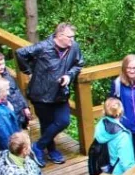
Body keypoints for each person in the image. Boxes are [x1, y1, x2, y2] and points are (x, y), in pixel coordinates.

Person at [16, 22, 84, 165]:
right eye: (70, 37)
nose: (73, 40)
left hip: (60, 93)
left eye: (73, 37)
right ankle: (51, 150)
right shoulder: (43, 47)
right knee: (46, 124)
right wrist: (29, 72)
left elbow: (79, 63)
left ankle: (37, 147)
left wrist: (69, 75)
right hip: (41, 94)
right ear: (59, 35)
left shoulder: (74, 47)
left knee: (63, 121)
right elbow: (20, 53)